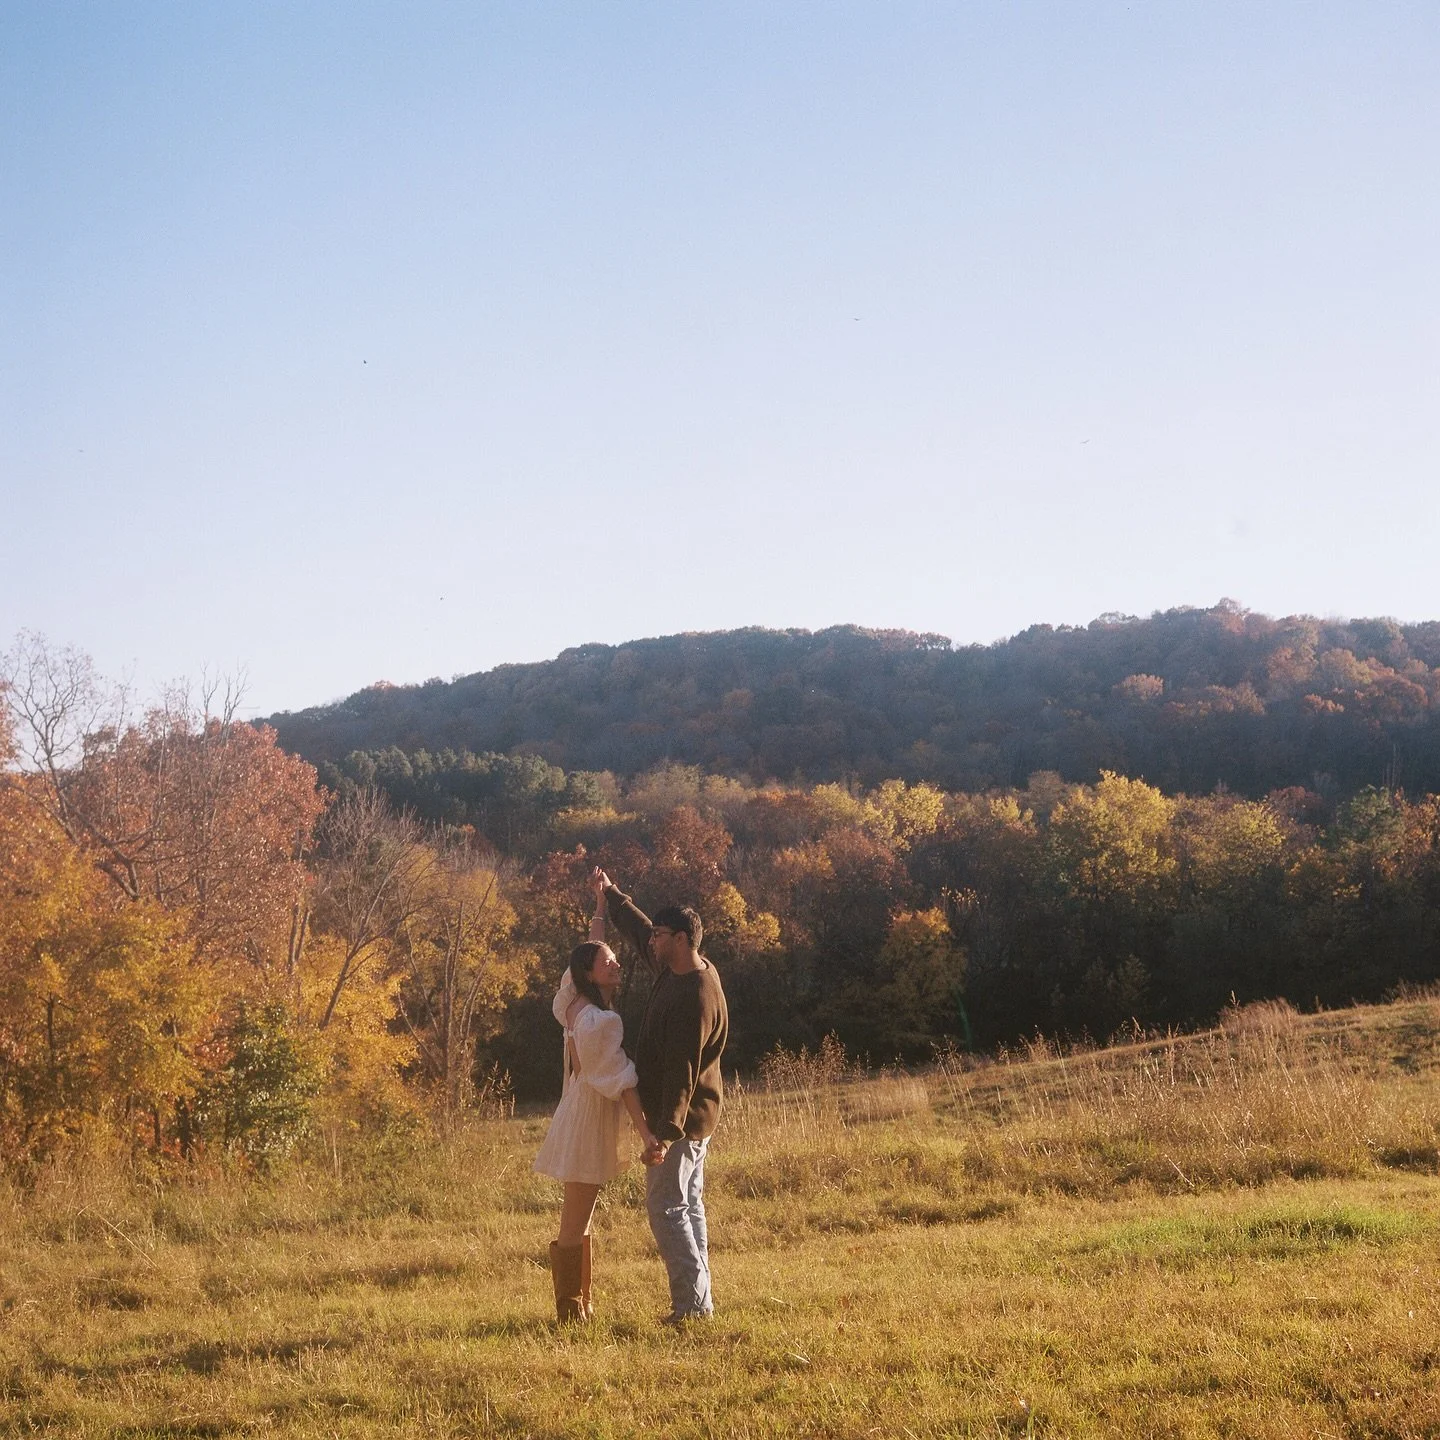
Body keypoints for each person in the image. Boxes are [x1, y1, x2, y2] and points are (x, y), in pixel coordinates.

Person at [594, 866, 729, 1324]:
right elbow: (637, 931)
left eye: (660, 934)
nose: (652, 940)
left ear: (683, 938)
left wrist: (665, 1134)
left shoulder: (694, 995)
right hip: (693, 1119)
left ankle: (692, 1309)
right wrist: (613, 895)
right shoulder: (677, 968)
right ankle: (699, 1303)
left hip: (684, 1121)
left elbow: (683, 1073)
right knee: (687, 1204)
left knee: (667, 1207)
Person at [533, 883, 661, 1323]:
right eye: (608, 962)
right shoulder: (598, 1021)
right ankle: (570, 1312)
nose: (617, 963)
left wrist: (600, 908)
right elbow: (623, 1080)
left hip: (579, 1112)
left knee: (582, 1216)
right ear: (591, 973)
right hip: (589, 1119)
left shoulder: (570, 1004)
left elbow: (584, 954)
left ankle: (581, 1307)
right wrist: (646, 1133)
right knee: (575, 1219)